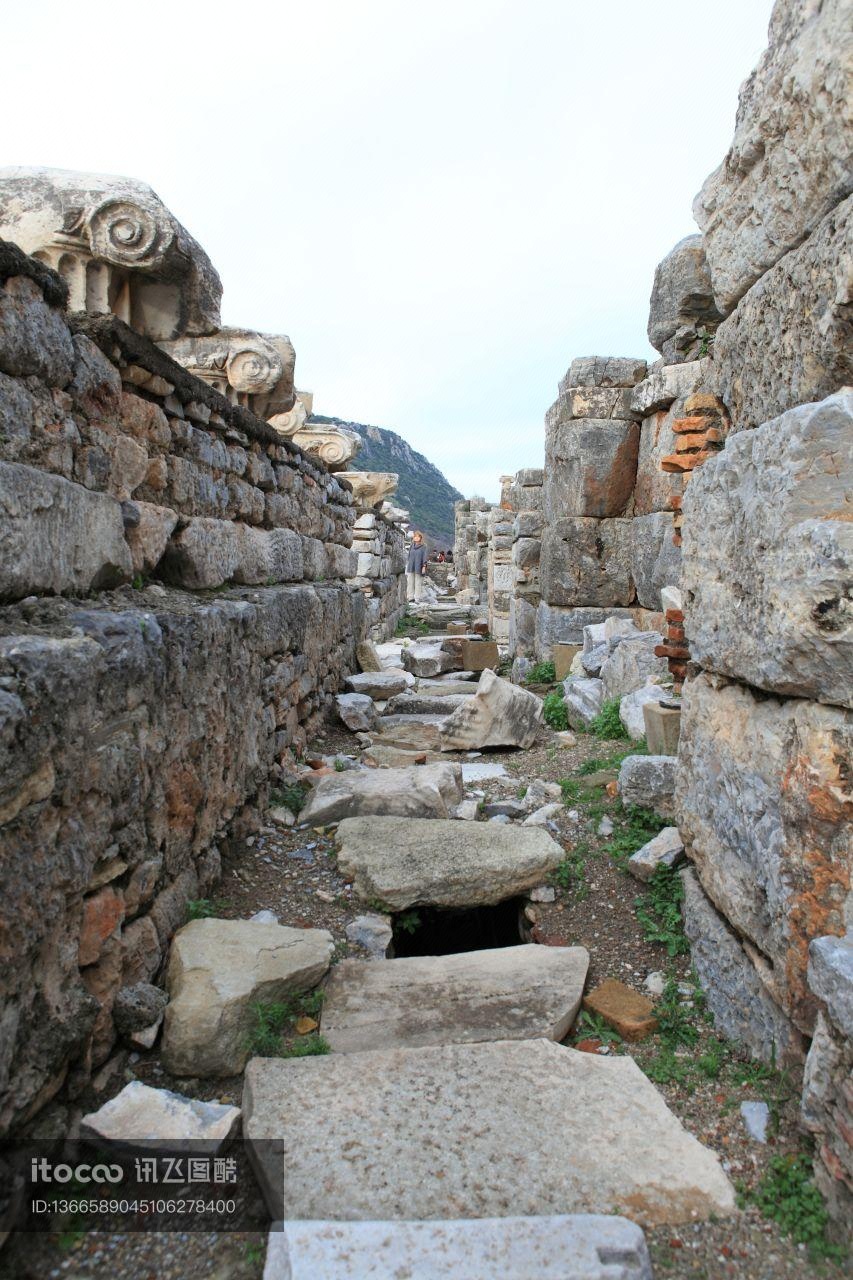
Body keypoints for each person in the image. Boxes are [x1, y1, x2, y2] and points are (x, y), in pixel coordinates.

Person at [406, 531, 428, 601]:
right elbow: (409, 555)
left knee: (418, 583)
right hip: (411, 566)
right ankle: (410, 597)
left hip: (419, 566)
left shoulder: (424, 546)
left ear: (420, 538)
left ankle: (417, 597)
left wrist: (424, 566)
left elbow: (425, 556)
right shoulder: (412, 545)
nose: (416, 538)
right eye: (415, 536)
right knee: (410, 582)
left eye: (418, 536)